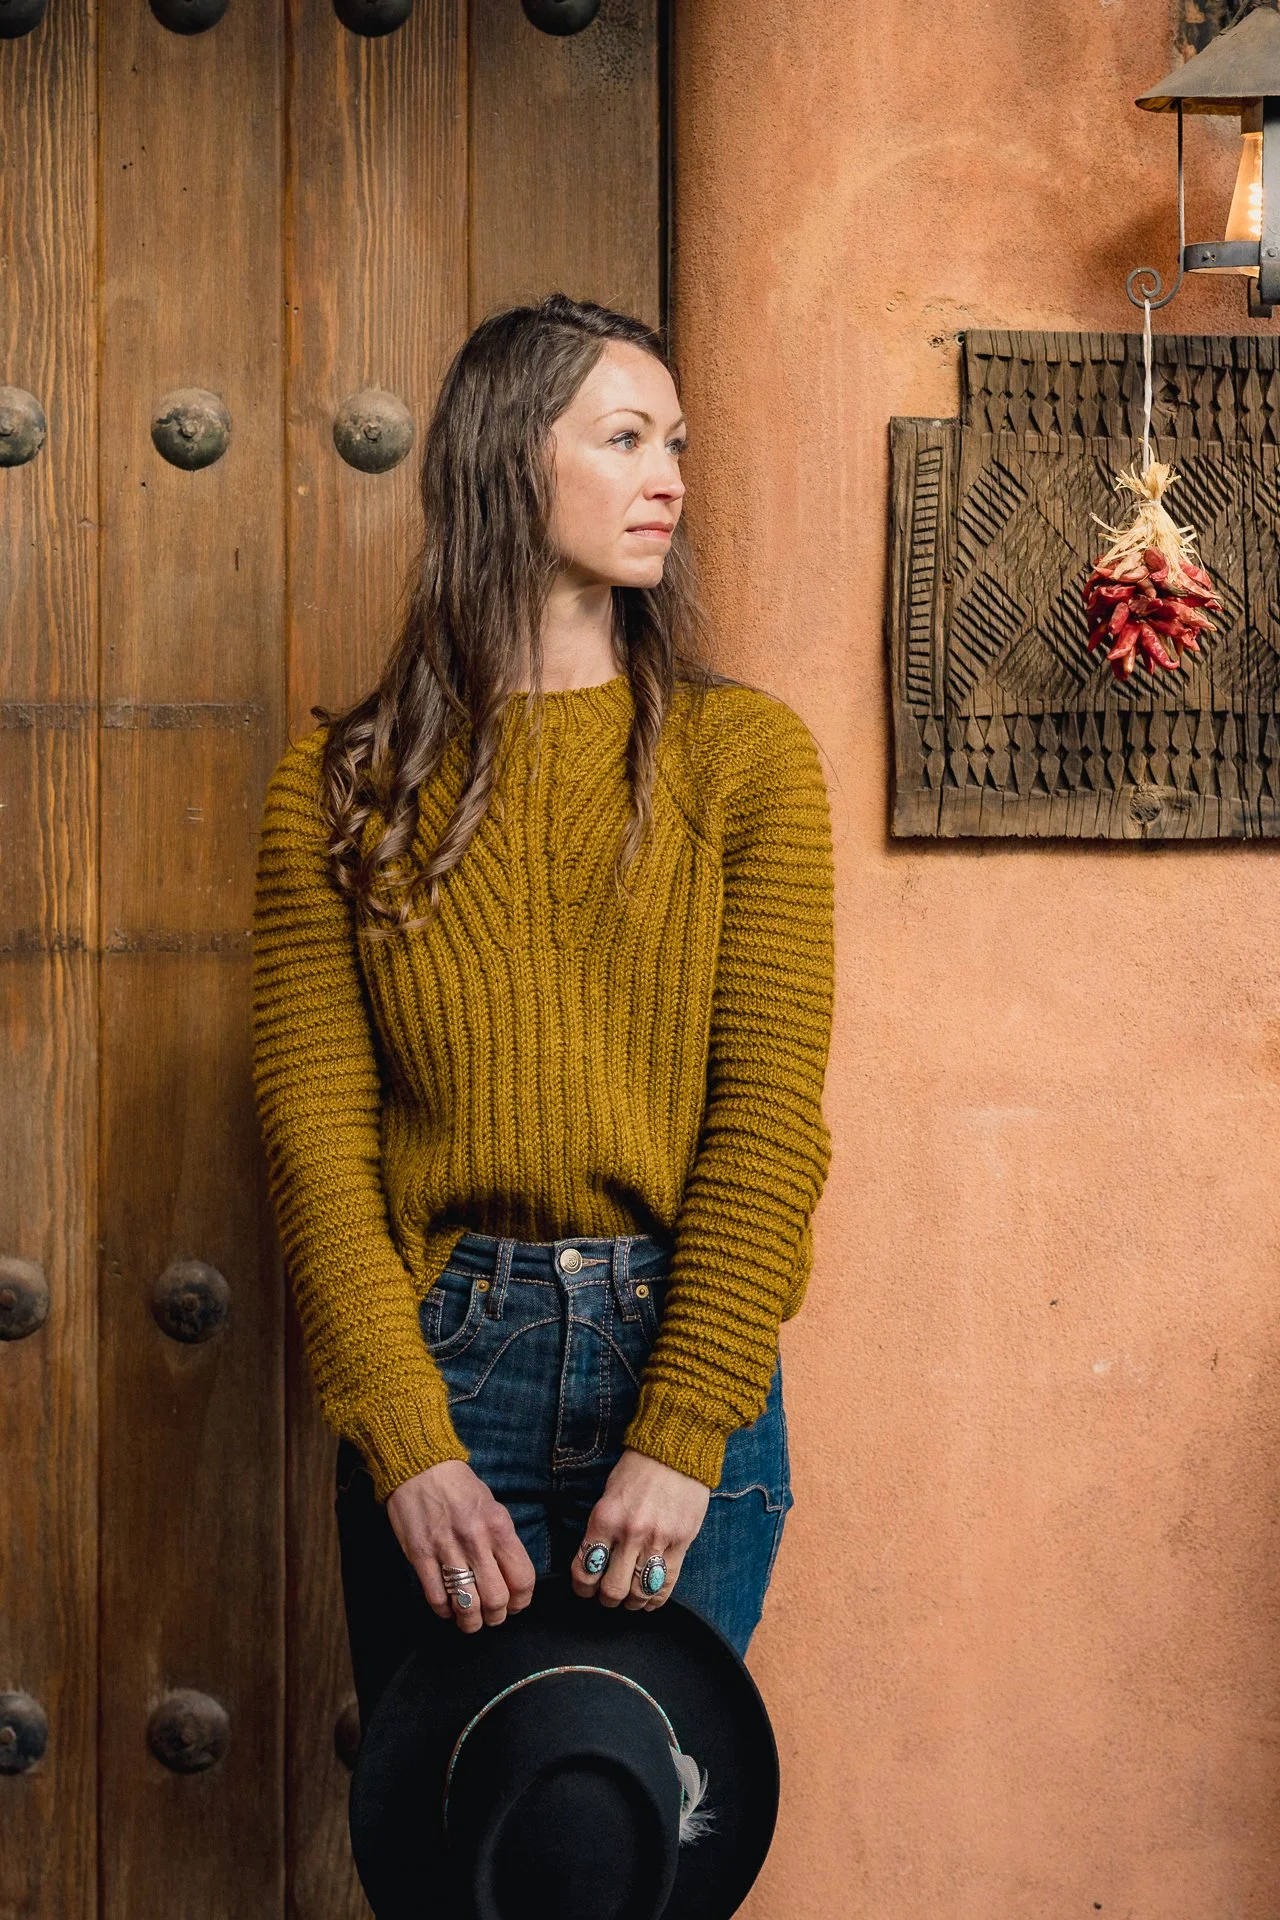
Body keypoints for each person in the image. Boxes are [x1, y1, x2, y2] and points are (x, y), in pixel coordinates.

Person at [250, 293, 835, 1724]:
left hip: (684, 1346)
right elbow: (314, 1139)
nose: (671, 480)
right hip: (449, 1364)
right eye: (626, 438)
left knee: (636, 1836)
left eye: (676, 442)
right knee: (462, 1844)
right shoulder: (339, 787)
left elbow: (766, 1122)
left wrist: (687, 1424)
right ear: (512, 459)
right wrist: (406, 1441)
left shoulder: (744, 761)